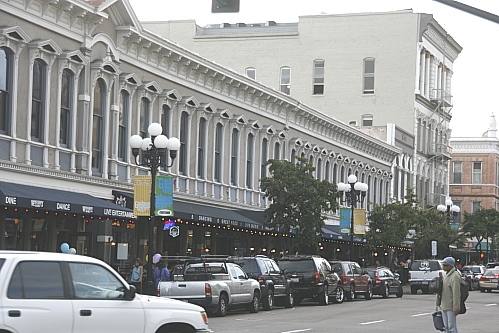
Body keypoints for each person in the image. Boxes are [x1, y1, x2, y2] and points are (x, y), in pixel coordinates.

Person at [436, 256, 461, 333]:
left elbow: (456, 293)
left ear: (451, 266)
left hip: (451, 307)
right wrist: (438, 303)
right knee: (446, 327)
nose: (443, 267)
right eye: (443, 265)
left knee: (452, 328)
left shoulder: (455, 276)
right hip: (444, 305)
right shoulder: (446, 275)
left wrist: (456, 308)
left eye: (445, 265)